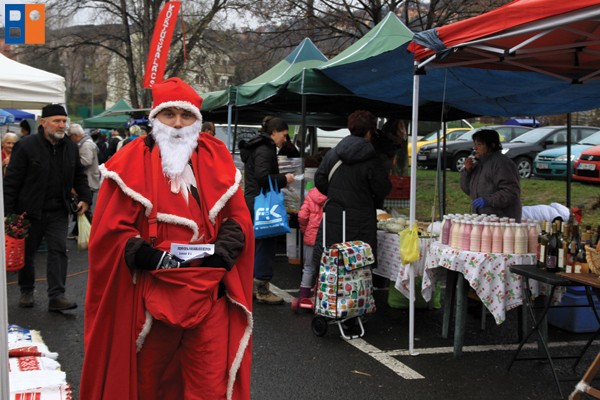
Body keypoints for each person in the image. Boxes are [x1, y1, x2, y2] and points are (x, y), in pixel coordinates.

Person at [80, 77, 254, 400]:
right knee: (147, 382)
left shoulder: (216, 157)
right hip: (153, 296)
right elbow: (110, 231)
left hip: (209, 291)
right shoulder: (130, 161)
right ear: (155, 118)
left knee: (210, 384)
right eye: (169, 114)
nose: (177, 123)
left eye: (185, 115)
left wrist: (224, 252)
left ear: (197, 121)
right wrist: (146, 254)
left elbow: (238, 216)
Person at [3, 104, 91, 311]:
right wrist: (8, 213)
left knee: (59, 250)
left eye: (64, 121)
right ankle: (26, 289)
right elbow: (12, 181)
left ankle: (57, 296)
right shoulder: (26, 146)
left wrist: (86, 198)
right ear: (43, 123)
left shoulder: (69, 146)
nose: (61, 125)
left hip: (58, 210)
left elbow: (79, 175)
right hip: (28, 211)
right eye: (56, 121)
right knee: (27, 252)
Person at [312, 110, 391, 267]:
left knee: (332, 264)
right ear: (370, 131)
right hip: (360, 222)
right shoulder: (372, 160)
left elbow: (319, 180)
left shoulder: (332, 154)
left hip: (334, 217)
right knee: (357, 268)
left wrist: (335, 193)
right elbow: (382, 188)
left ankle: (331, 292)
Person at [239, 116, 294, 305]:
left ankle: (252, 287)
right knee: (266, 244)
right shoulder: (264, 148)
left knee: (256, 245)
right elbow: (263, 177)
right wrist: (283, 179)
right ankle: (262, 288)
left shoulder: (257, 146)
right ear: (274, 132)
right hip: (262, 202)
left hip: (254, 201)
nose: (285, 140)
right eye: (284, 135)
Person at [460, 128, 522, 221]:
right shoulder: (479, 163)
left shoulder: (502, 163)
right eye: (475, 145)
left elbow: (511, 192)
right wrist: (467, 172)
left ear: (492, 145)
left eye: (479, 145)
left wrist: (488, 200)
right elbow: (467, 190)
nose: (475, 148)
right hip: (483, 218)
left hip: (502, 219)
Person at [297, 186, 327, 301]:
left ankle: (303, 296)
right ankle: (321, 296)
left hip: (311, 237)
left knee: (309, 267)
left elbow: (302, 216)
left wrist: (305, 229)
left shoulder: (311, 195)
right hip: (326, 237)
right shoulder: (334, 196)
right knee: (325, 268)